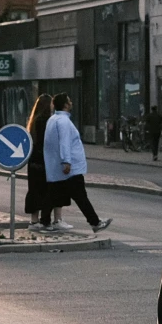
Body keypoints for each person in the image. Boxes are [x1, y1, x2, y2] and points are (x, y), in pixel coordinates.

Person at [44, 94, 109, 232]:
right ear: (65, 105)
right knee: (80, 196)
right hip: (70, 168)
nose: (71, 102)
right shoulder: (63, 122)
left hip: (56, 166)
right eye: (69, 101)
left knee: (53, 194)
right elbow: (64, 142)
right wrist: (66, 161)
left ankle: (45, 221)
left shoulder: (52, 119)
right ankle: (95, 222)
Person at [22, 95, 59, 227]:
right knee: (46, 191)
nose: (52, 107)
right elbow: (48, 142)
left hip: (33, 161)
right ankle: (45, 221)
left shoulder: (33, 121)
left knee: (34, 190)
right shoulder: (46, 121)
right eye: (51, 104)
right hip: (44, 160)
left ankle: (34, 220)